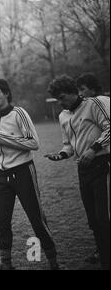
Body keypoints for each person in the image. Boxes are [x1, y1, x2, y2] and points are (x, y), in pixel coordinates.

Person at [0, 79, 59, 270]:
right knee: (1, 222)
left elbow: (33, 143)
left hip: (23, 171)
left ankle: (54, 263)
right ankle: (6, 264)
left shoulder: (19, 113)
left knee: (36, 220)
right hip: (1, 175)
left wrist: (0, 137)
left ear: (7, 94)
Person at [46, 75, 110, 270]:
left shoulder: (93, 104)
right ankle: (103, 256)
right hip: (83, 169)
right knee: (92, 219)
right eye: (58, 99)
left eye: (63, 97)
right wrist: (62, 154)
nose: (61, 102)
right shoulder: (63, 116)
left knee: (103, 218)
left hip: (101, 164)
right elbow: (69, 145)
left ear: (74, 91)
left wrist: (94, 148)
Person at [75, 72, 109, 264]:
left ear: (93, 89)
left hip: (103, 160)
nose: (80, 94)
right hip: (97, 160)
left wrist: (94, 147)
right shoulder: (91, 105)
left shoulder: (98, 102)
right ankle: (102, 250)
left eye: (83, 89)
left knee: (102, 214)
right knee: (98, 214)